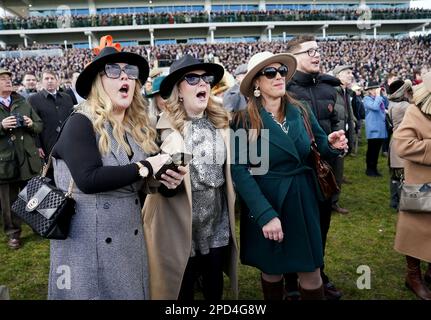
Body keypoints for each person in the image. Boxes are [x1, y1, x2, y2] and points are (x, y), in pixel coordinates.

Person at [48, 35, 185, 300]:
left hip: (129, 240)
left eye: (130, 72)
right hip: (86, 243)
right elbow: (89, 179)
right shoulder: (80, 121)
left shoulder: (137, 128)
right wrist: (146, 166)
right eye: (114, 71)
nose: (125, 77)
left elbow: (143, 183)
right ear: (98, 81)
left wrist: (167, 182)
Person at [231, 51, 347, 300]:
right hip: (266, 201)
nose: (278, 77)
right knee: (272, 271)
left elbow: (318, 147)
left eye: (282, 71)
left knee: (312, 271)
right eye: (270, 73)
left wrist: (333, 145)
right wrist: (264, 214)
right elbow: (240, 171)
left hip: (303, 200)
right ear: (256, 84)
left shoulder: (301, 109)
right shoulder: (244, 120)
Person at [142, 54, 238, 300]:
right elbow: (148, 180)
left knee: (214, 286)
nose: (202, 84)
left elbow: (239, 169)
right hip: (180, 224)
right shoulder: (160, 129)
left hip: (216, 222)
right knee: (181, 290)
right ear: (179, 91)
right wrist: (164, 181)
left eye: (205, 78)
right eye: (192, 78)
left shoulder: (222, 123)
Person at [285, 35, 343, 300]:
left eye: (318, 50)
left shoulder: (329, 88)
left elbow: (332, 125)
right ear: (294, 58)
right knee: (293, 230)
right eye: (309, 51)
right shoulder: (283, 89)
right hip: (295, 175)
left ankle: (319, 273)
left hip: (324, 172)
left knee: (321, 228)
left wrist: (337, 144)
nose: (316, 55)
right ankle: (290, 280)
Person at [392, 71, 431, 300]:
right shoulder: (416, 111)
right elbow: (403, 145)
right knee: (414, 232)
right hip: (421, 185)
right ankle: (412, 276)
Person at [0, 68, 43, 250]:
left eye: (9, 78)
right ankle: (13, 234)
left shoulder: (22, 101)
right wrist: (1, 126)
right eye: (2, 79)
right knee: (8, 202)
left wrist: (31, 124)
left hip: (27, 159)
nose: (8, 81)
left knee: (31, 196)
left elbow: (39, 125)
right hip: (5, 162)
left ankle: (37, 227)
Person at [28, 70, 75, 163]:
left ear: (57, 81)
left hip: (68, 141)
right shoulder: (33, 99)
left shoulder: (67, 97)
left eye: (52, 78)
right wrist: (37, 146)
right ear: (41, 82)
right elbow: (32, 124)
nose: (50, 81)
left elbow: (72, 119)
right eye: (46, 78)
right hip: (47, 144)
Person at [331, 64, 355, 214]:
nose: (351, 75)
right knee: (333, 172)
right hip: (334, 138)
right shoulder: (333, 92)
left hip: (343, 137)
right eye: (347, 73)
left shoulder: (346, 92)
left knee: (338, 171)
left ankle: (333, 200)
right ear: (338, 76)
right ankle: (331, 202)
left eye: (351, 73)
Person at [387, 79, 412, 210]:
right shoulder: (405, 106)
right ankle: (401, 203)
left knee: (395, 174)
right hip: (403, 140)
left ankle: (394, 201)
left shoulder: (392, 104)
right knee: (403, 174)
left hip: (395, 140)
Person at [363, 81, 388, 177]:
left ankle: (374, 168)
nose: (375, 91)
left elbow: (386, 105)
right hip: (373, 129)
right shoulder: (367, 99)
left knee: (377, 150)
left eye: (376, 89)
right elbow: (375, 107)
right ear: (369, 90)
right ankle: (369, 169)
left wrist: (384, 95)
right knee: (371, 150)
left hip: (380, 128)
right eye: (373, 89)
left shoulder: (378, 98)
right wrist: (378, 96)